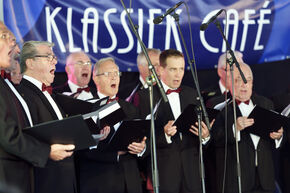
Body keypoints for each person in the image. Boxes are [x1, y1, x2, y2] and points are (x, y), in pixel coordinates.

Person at [0, 22, 73, 193]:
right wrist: (47, 151)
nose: (15, 48)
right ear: (31, 63)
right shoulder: (21, 90)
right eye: (5, 37)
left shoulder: (5, 85)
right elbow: (8, 135)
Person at [135, 49, 212, 193]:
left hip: (193, 173)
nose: (178, 74)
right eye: (173, 69)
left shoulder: (192, 94)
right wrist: (164, 135)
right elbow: (142, 141)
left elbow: (206, 139)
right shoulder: (146, 97)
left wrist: (205, 136)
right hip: (164, 175)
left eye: (181, 69)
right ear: (160, 70)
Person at [77, 57, 147, 193]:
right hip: (100, 182)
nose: (114, 78)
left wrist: (143, 147)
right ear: (96, 79)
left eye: (116, 73)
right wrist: (112, 152)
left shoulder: (131, 108)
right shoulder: (86, 108)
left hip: (130, 182)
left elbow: (144, 138)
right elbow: (80, 150)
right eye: (108, 74)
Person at [211, 63, 283, 193]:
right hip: (236, 181)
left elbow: (274, 139)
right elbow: (215, 139)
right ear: (230, 83)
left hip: (264, 179)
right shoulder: (220, 107)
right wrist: (235, 129)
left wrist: (278, 136)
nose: (244, 84)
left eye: (247, 80)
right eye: (239, 80)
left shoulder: (266, 103)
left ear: (252, 83)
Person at [17, 41, 76, 193]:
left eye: (54, 57)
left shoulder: (51, 94)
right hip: (45, 181)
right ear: (30, 63)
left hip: (66, 179)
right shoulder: (22, 94)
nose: (55, 61)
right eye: (48, 57)